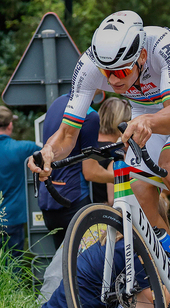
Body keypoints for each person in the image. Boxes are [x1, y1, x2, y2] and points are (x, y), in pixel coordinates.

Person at [28, 10, 170, 307]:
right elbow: (67, 134)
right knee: (138, 183)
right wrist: (48, 152)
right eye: (107, 73)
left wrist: (149, 123)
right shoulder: (90, 65)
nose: (112, 80)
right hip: (145, 111)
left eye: (120, 72)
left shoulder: (162, 44)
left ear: (141, 56)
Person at [38, 92, 114, 249]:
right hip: (73, 201)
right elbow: (91, 171)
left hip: (48, 200)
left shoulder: (57, 103)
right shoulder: (89, 115)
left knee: (63, 268)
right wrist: (123, 177)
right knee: (89, 267)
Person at [0, 105, 41, 260]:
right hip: (12, 218)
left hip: (12, 218)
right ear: (10, 125)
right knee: (13, 265)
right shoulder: (24, 148)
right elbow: (47, 153)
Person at [92, 97, 131, 205]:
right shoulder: (116, 154)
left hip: (83, 211)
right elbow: (114, 200)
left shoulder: (89, 146)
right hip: (104, 215)